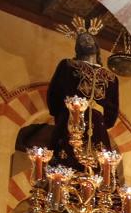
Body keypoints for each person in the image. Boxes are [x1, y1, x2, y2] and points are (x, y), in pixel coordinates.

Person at [47, 18, 120, 171]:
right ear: (77, 46)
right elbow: (55, 93)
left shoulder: (111, 77)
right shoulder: (68, 65)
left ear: (96, 44)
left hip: (98, 123)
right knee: (66, 159)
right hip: (71, 119)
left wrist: (103, 117)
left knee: (100, 166)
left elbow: (113, 108)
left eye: (89, 38)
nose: (86, 41)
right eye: (82, 40)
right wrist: (65, 112)